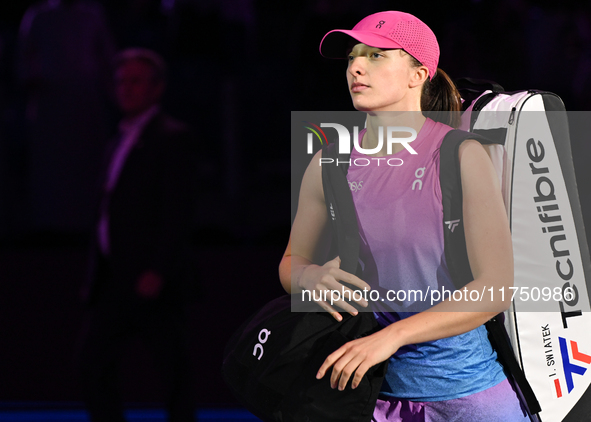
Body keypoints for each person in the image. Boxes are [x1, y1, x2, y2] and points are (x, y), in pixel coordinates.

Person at [279, 11, 529, 422]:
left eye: (377, 55)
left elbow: (496, 287)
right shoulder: (329, 163)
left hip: (468, 401)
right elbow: (291, 263)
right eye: (353, 57)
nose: (356, 66)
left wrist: (391, 338)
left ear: (418, 74)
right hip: (374, 400)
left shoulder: (460, 155)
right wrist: (308, 277)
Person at [78, 48, 197, 422]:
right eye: (120, 81)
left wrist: (159, 269)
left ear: (157, 88)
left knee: (172, 367)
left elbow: (176, 210)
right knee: (91, 363)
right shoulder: (118, 139)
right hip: (114, 275)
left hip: (150, 276)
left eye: (135, 81)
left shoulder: (171, 137)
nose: (125, 89)